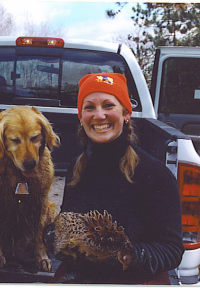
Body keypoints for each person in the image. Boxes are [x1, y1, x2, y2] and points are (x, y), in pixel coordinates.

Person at [58, 72, 184, 284]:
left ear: (126, 114)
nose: (99, 115)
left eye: (108, 105)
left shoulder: (155, 174)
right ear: (81, 117)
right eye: (89, 107)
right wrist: (58, 239)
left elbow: (172, 249)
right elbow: (69, 224)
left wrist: (127, 255)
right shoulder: (77, 167)